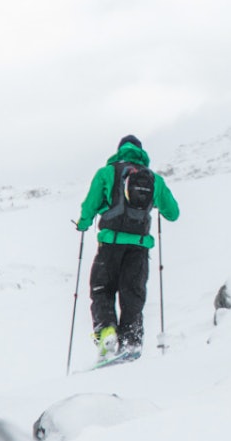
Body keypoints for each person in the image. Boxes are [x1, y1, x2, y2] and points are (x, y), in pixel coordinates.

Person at [75, 135, 180, 358]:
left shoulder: (107, 172)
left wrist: (83, 224)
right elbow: (173, 213)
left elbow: (90, 205)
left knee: (101, 289)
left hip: (110, 245)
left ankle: (107, 332)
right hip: (139, 249)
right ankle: (131, 342)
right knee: (132, 296)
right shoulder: (154, 179)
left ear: (119, 150)